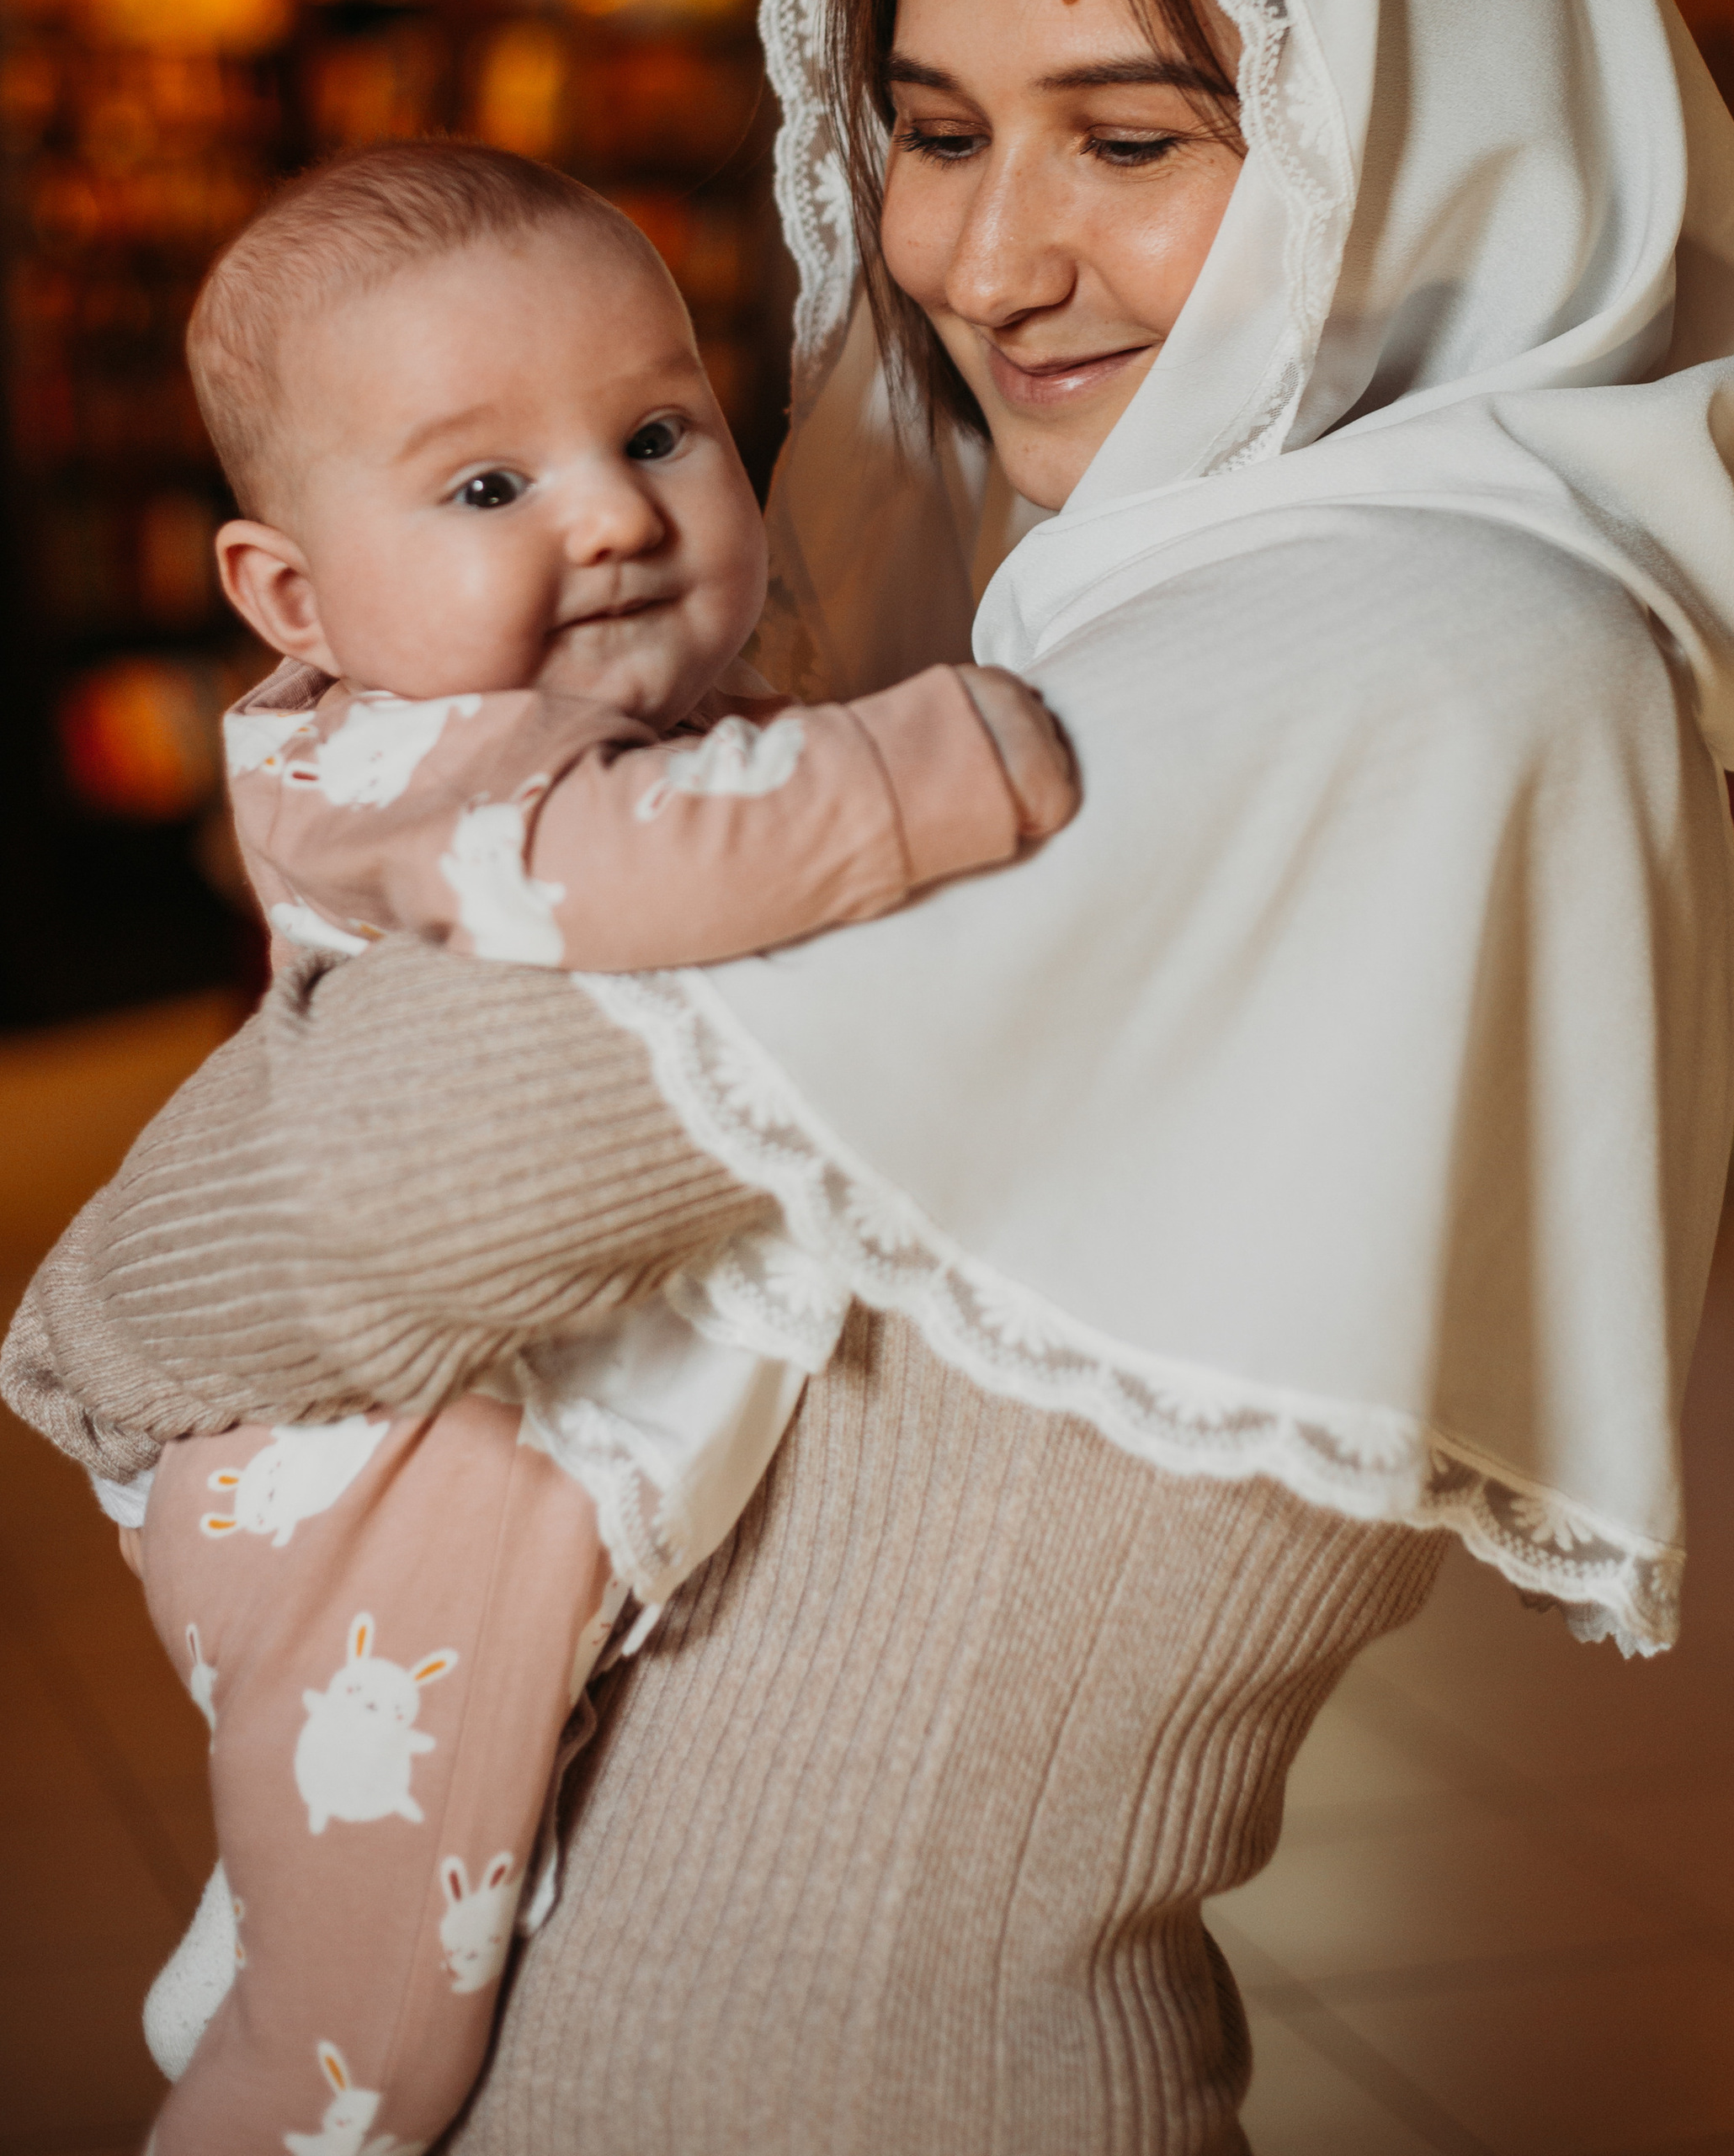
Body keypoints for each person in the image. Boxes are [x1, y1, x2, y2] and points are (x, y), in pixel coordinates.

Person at [5, 0, 1734, 2155]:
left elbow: (310, 1226)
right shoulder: (1175, 585)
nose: (985, 264)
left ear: (1406, 124)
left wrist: (133, 1249)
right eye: (938, 130)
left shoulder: (1377, 637)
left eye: (1133, 134)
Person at [94, 141, 1077, 2153]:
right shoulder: (390, 762)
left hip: (467, 1459)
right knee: (374, 2043)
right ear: (295, 597)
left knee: (434, 1873)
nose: (618, 516)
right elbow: (634, 869)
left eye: (657, 429)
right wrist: (944, 752)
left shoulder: (624, 696)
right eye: (486, 487)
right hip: (373, 1497)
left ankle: (270, 1929)